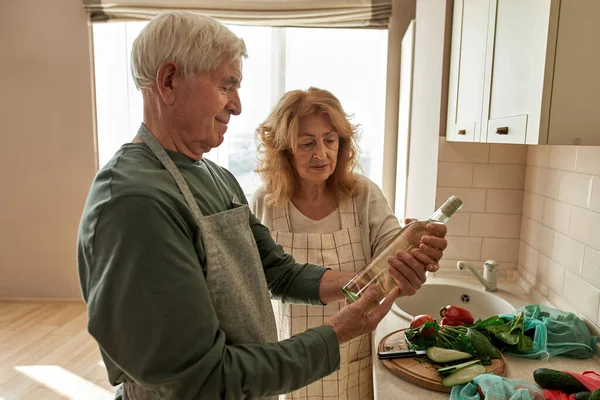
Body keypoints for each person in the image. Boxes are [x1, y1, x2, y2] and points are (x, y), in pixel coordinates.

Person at [76, 11, 447, 400]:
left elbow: (278, 272)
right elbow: (197, 382)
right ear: (169, 81)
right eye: (226, 85)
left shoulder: (215, 177)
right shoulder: (135, 203)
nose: (236, 106)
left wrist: (370, 281)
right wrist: (336, 332)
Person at [251, 87, 447, 400]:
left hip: (353, 355)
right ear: (284, 148)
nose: (321, 153)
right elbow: (261, 278)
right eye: (307, 143)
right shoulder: (266, 202)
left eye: (330, 140)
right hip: (293, 355)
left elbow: (392, 255)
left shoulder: (363, 194)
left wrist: (413, 256)